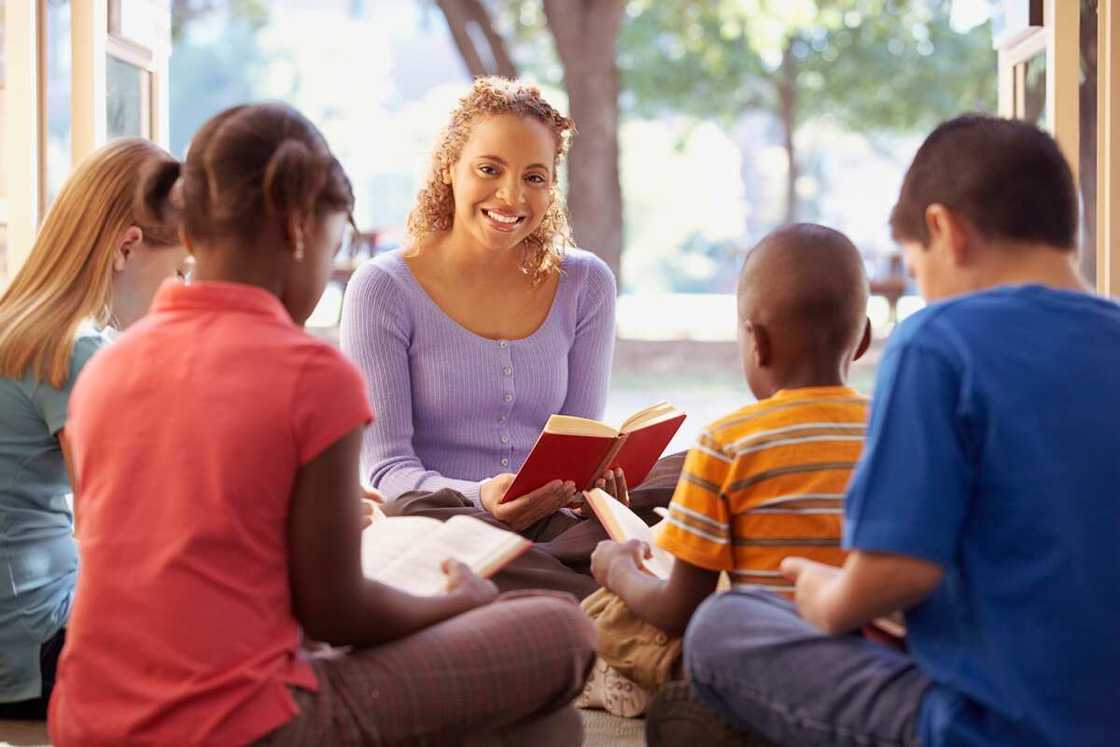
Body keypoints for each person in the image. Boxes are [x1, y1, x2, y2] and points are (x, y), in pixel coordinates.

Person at [48, 103, 594, 746]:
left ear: (189, 236)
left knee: (537, 722)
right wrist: (458, 604)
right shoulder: (310, 373)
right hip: (244, 724)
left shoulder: (107, 369)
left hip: (87, 721)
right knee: (562, 631)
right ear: (304, 232)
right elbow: (337, 610)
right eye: (335, 245)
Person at [680, 115, 1120, 747]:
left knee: (724, 624)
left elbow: (896, 573)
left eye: (917, 268)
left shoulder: (939, 341)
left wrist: (827, 595)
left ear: (945, 231)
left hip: (988, 726)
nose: (922, 290)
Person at [341, 77, 641, 597]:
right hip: (445, 521)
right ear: (448, 166)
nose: (511, 196)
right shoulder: (383, 288)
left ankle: (580, 578)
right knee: (420, 520)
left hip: (553, 523)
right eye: (489, 169)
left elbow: (580, 439)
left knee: (686, 478)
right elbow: (388, 469)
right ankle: (600, 585)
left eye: (534, 177)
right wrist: (483, 497)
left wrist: (598, 486)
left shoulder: (587, 284)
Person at [578, 224, 872, 717]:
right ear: (861, 340)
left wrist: (620, 570)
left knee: (605, 612)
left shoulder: (728, 443)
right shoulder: (893, 432)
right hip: (868, 659)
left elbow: (680, 609)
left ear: (756, 342)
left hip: (761, 662)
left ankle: (629, 678)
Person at [0, 138, 190, 720]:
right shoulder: (75, 349)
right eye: (179, 269)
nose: (181, 291)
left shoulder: (22, 323)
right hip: (35, 648)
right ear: (127, 247)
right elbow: (131, 534)